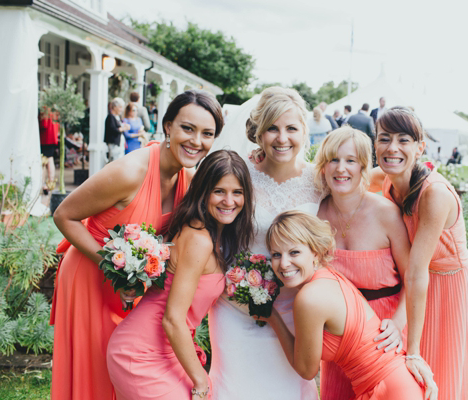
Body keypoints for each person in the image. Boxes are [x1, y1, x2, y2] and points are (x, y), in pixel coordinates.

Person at [50, 89, 225, 400]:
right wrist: (114, 268)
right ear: (167, 126)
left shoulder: (188, 178)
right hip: (91, 274)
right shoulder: (130, 172)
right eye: (188, 128)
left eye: (207, 133)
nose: (196, 141)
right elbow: (64, 215)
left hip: (131, 285)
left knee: (121, 372)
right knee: (95, 374)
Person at [371, 107, 468, 399]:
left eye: (403, 140)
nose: (392, 148)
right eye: (384, 139)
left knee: (445, 371)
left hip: (454, 286)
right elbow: (342, 174)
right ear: (374, 143)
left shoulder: (434, 194)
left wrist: (412, 350)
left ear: (420, 147)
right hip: (423, 283)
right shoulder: (386, 177)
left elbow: (414, 272)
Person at [107, 150, 254, 400]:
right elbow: (173, 319)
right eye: (219, 191)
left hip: (168, 350)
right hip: (141, 353)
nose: (229, 201)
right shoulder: (199, 239)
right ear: (204, 192)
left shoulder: (214, 235)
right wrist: (200, 381)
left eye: (237, 192)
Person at [208, 86, 323, 400]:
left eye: (291, 128)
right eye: (272, 128)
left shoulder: (320, 182)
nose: (282, 138)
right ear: (258, 133)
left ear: (304, 131)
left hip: (294, 311)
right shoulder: (241, 174)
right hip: (236, 307)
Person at [261, 211, 426, 400]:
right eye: (276, 254)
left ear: (315, 252)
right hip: (395, 381)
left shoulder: (309, 297)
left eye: (294, 252)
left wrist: (272, 317)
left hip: (390, 388)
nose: (283, 263)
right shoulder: (330, 276)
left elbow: (307, 370)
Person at [314, 127, 412, 400]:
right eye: (333, 159)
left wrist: (398, 323)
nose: (341, 168)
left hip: (385, 332)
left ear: (363, 166)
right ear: (323, 166)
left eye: (350, 160)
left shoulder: (387, 214)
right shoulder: (314, 214)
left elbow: (412, 279)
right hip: (339, 334)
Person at [39, 106, 59, 194]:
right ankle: (51, 182)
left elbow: (44, 124)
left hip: (45, 137)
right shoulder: (55, 109)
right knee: (50, 159)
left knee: (45, 161)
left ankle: (44, 184)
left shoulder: (46, 108)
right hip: (52, 137)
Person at [104, 97, 131, 162]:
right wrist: (123, 128)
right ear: (115, 107)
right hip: (114, 145)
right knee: (115, 161)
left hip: (119, 145)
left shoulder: (118, 117)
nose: (121, 109)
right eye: (120, 107)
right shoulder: (110, 117)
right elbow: (113, 130)